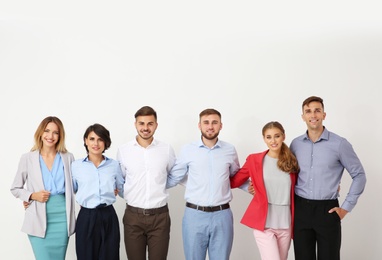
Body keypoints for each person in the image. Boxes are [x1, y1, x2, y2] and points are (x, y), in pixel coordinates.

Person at [290, 96, 366, 260]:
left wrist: (345, 208)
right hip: (301, 209)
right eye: (308, 111)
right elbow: (289, 175)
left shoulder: (339, 144)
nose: (313, 115)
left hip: (328, 210)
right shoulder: (295, 144)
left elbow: (359, 175)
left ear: (324, 115)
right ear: (302, 116)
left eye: (317, 110)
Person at [167, 108, 240, 260]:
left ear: (221, 125)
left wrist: (256, 188)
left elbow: (235, 177)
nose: (210, 126)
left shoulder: (230, 150)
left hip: (222, 215)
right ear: (199, 125)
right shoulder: (188, 150)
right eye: (206, 122)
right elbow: (175, 177)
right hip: (194, 215)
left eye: (214, 122)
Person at [230, 121, 299, 260]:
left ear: (283, 136)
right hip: (264, 223)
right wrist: (250, 187)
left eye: (277, 136)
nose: (273, 141)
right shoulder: (254, 160)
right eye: (268, 137)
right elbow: (235, 181)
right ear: (264, 139)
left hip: (286, 222)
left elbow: (301, 185)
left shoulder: (292, 161)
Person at [10, 116, 76, 260]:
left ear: (60, 136)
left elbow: (77, 186)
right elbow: (15, 188)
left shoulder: (68, 157)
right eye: (47, 131)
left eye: (55, 132)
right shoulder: (27, 158)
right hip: (37, 219)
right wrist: (32, 196)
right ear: (40, 132)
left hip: (62, 219)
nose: (50, 136)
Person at [116, 106, 176, 260]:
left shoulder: (166, 149)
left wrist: (158, 185)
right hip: (133, 217)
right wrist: (131, 194)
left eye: (150, 124)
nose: (145, 128)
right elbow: (120, 181)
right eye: (141, 123)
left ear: (156, 125)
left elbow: (172, 175)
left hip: (160, 217)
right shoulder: (124, 151)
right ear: (135, 124)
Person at [71, 123, 124, 260]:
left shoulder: (114, 165)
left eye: (100, 139)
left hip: (108, 216)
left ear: (106, 142)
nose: (96, 143)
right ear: (86, 141)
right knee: (86, 256)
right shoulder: (76, 166)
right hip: (86, 216)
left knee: (110, 256)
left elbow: (121, 187)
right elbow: (71, 189)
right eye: (92, 139)